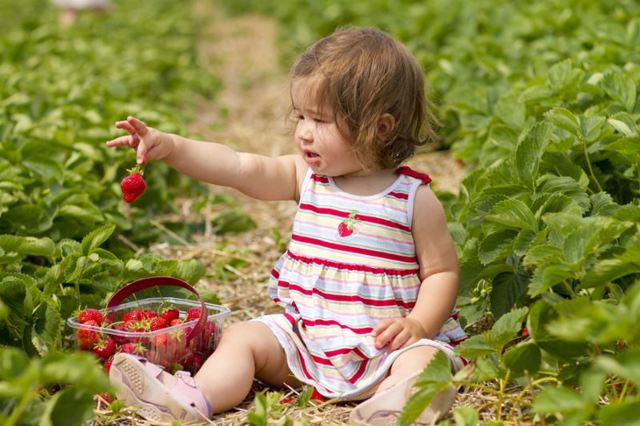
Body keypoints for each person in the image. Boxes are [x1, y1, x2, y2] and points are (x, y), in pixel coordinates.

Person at [105, 26, 468, 425]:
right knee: (243, 337)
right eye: (301, 116)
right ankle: (193, 398)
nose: (303, 132)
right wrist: (172, 147)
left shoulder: (413, 199)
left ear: (379, 128)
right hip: (307, 343)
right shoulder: (305, 177)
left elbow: (441, 272)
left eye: (321, 120)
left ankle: (396, 405)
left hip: (386, 348)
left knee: (426, 359)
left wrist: (418, 324)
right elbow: (237, 167)